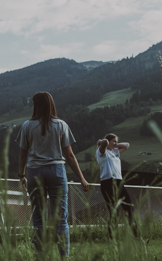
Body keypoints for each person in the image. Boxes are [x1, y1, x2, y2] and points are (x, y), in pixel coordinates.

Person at [17, 92, 89, 258]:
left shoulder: (27, 126)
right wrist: (82, 178)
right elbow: (69, 155)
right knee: (60, 220)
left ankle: (40, 256)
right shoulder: (61, 125)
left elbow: (22, 155)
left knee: (38, 220)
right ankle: (64, 257)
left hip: (34, 173)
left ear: (36, 105)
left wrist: (21, 175)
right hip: (56, 172)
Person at [96, 134, 138, 237]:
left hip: (119, 182)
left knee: (129, 208)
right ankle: (112, 238)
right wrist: (102, 142)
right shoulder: (101, 152)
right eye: (113, 141)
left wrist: (115, 144)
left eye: (116, 141)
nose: (115, 143)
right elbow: (105, 143)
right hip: (108, 182)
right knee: (114, 211)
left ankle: (137, 235)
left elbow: (127, 145)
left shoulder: (115, 152)